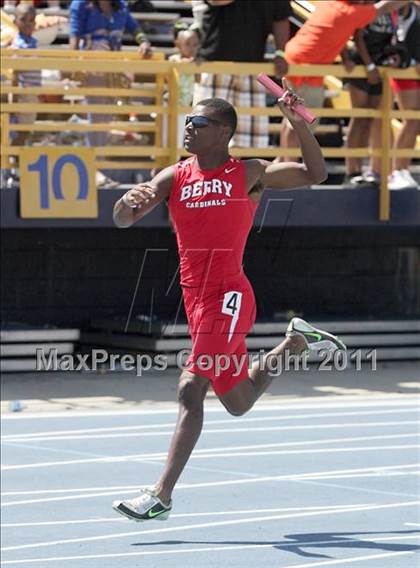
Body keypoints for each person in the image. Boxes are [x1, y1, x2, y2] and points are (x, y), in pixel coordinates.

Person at [112, 80, 346, 522]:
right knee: (238, 402)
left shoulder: (249, 173)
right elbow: (123, 219)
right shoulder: (174, 175)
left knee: (189, 387)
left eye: (197, 122)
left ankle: (161, 493)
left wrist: (300, 127)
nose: (187, 128)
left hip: (229, 296)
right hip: (197, 302)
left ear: (223, 131)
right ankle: (294, 345)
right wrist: (127, 203)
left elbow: (316, 175)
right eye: (187, 121)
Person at [282, 0, 408, 155]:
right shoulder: (351, 13)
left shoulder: (330, 5)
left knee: (291, 119)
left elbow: (337, 33)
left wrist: (345, 58)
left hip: (292, 62)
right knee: (301, 124)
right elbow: (385, 7)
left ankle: (283, 162)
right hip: (307, 71)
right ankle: (288, 165)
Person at [69, 0, 153, 189]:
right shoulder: (81, 5)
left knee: (105, 119)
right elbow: (74, 35)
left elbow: (134, 27)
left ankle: (97, 166)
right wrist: (75, 65)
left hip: (114, 69)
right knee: (97, 117)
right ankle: (93, 167)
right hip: (93, 68)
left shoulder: (121, 6)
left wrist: (144, 41)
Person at [193, 0, 292, 148]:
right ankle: (201, 172)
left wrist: (280, 52)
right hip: (215, 65)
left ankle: (238, 172)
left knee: (251, 143)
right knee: (204, 135)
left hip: (252, 68)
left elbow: (281, 17)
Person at [344, 11, 395, 187]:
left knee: (378, 119)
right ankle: (353, 171)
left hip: (382, 68)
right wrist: (370, 66)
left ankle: (377, 171)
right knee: (360, 118)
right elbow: (357, 37)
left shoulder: (394, 9)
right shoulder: (369, 6)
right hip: (361, 66)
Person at [388, 1, 420, 190]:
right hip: (405, 71)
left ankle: (403, 169)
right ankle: (396, 171)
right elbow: (396, 38)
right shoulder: (402, 8)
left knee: (416, 121)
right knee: (411, 119)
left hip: (416, 72)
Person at [11, 2, 41, 149]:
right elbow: (15, 73)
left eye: (31, 20)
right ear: (15, 21)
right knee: (21, 132)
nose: (28, 24)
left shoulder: (33, 43)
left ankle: (13, 164)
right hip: (23, 94)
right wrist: (14, 99)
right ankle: (11, 163)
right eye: (23, 19)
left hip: (32, 94)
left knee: (25, 132)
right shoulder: (18, 44)